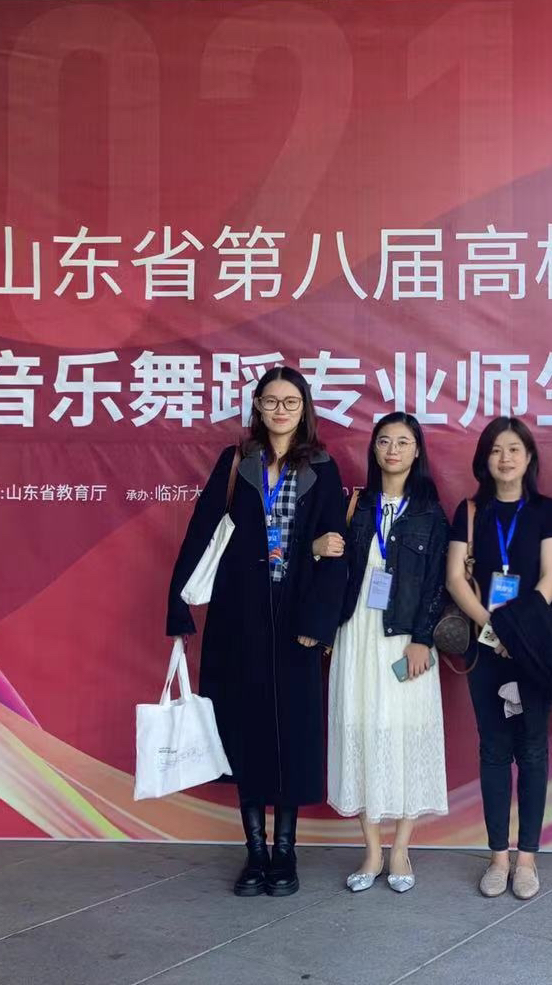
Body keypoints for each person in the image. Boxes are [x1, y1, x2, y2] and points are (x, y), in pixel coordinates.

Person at [165, 366, 348, 897]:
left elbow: (335, 546)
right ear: (258, 407)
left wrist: (318, 622)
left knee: (290, 735)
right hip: (237, 618)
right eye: (271, 401)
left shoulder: (322, 466)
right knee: (242, 732)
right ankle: (255, 852)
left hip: (295, 620)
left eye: (291, 402)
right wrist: (178, 604)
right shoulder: (236, 462)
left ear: (305, 408)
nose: (281, 410)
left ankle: (285, 852)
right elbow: (202, 530)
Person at [326, 412, 450, 894]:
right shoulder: (356, 504)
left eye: (402, 442)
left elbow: (437, 582)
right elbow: (336, 571)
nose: (392, 450)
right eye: (384, 441)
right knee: (360, 727)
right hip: (357, 633)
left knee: (403, 734)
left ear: (417, 451)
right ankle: (372, 850)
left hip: (404, 638)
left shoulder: (430, 512)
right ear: (373, 449)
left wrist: (423, 638)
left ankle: (400, 848)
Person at [445, 417, 552, 901]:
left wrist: (519, 632)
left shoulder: (547, 511)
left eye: (514, 449)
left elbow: (550, 578)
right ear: (485, 459)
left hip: (533, 647)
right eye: (496, 450)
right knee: (494, 750)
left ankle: (527, 859)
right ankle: (498, 857)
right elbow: (455, 577)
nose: (506, 458)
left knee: (533, 750)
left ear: (529, 457)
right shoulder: (470, 511)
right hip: (486, 646)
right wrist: (493, 630)